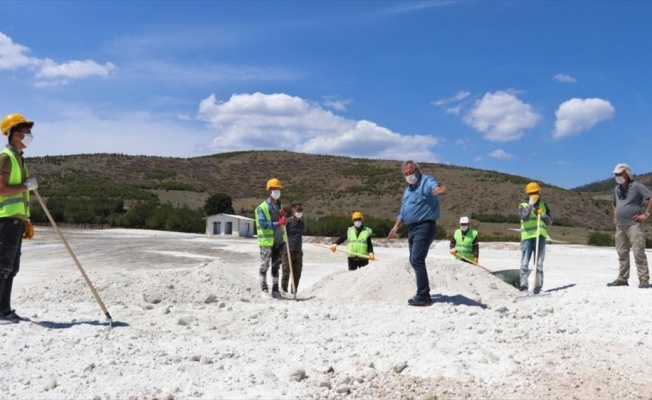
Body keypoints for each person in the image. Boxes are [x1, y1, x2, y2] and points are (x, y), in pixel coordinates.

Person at [387, 160, 446, 307]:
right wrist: (396, 226)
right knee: (414, 260)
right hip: (412, 228)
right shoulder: (408, 191)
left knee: (417, 259)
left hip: (425, 226)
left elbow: (435, 186)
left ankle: (424, 296)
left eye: (410, 173)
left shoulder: (426, 181)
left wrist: (439, 189)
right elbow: (404, 211)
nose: (408, 176)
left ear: (417, 172)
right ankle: (422, 293)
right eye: (406, 174)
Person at [0, 113, 38, 323]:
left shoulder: (18, 158)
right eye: (26, 132)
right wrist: (26, 186)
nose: (30, 135)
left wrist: (25, 219)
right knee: (2, 267)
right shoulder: (6, 157)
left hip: (14, 220)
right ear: (15, 134)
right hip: (4, 220)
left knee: (11, 268)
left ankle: (5, 310)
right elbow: (1, 189)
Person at [607, 163, 652, 288]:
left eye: (619, 174)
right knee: (622, 253)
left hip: (634, 225)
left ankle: (643, 280)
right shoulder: (616, 189)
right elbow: (614, 203)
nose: (617, 176)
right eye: (616, 174)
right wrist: (615, 216)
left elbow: (651, 197)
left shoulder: (637, 186)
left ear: (627, 174)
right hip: (620, 226)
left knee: (638, 252)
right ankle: (622, 278)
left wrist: (646, 214)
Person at [254, 178, 287, 299]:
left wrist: (283, 219)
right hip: (267, 242)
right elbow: (262, 223)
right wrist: (277, 223)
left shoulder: (279, 205)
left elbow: (282, 221)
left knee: (276, 267)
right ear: (269, 191)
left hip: (279, 241)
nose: (277, 191)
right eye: (275, 189)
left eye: (279, 189)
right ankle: (264, 290)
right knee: (264, 266)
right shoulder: (262, 207)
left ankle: (275, 290)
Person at [518, 182, 553, 294]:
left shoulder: (543, 205)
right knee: (524, 264)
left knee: (539, 264)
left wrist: (542, 214)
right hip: (527, 237)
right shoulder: (523, 205)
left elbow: (550, 221)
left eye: (536, 192)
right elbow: (523, 216)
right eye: (532, 193)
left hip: (540, 237)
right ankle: (523, 286)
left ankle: (538, 287)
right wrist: (530, 205)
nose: (535, 195)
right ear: (528, 194)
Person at [281, 201, 304, 295]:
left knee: (297, 273)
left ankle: (294, 290)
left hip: (298, 252)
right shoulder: (287, 222)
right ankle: (284, 291)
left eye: (301, 210)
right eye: (298, 210)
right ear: (293, 210)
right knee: (286, 272)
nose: (300, 212)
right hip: (288, 251)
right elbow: (283, 234)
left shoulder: (301, 223)